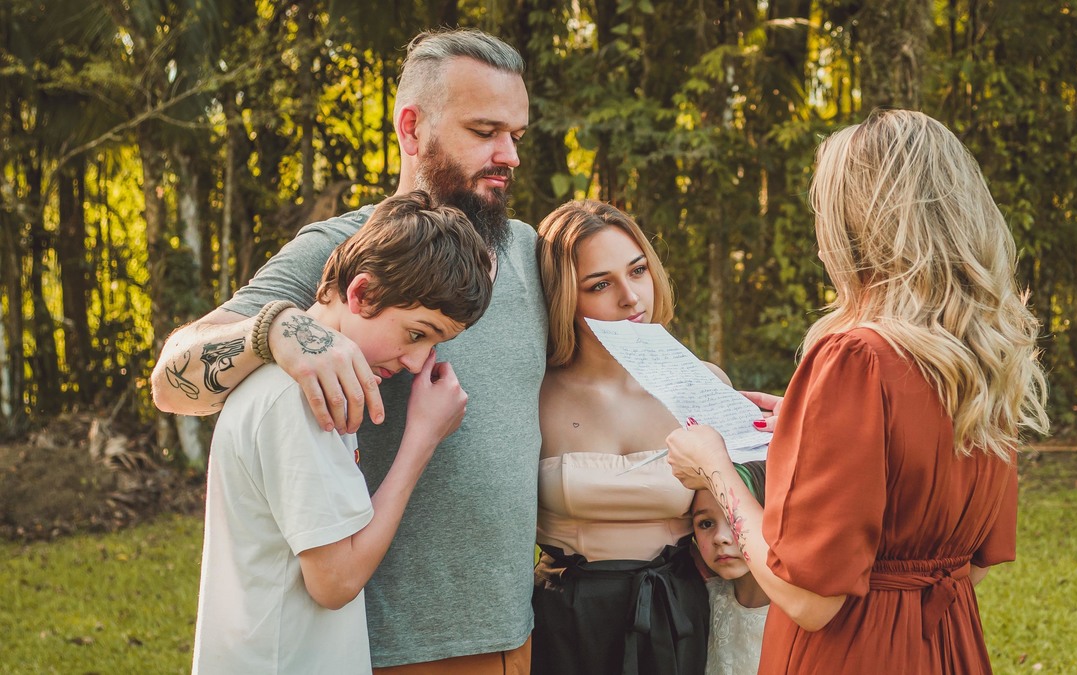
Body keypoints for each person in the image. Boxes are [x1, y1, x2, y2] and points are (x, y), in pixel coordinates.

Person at [152, 28, 548, 673]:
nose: (509, 154)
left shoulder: (532, 254)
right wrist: (276, 331)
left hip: (515, 633)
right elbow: (172, 380)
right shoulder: (341, 250)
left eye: (517, 136)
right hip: (380, 647)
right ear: (412, 128)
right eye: (484, 131)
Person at [666, 108, 1050, 674]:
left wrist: (714, 468)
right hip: (946, 647)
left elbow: (808, 600)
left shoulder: (856, 357)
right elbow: (973, 563)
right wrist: (805, 425)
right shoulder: (982, 358)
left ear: (853, 231)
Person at [191, 191, 491, 673]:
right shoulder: (300, 398)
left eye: (435, 342)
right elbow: (335, 582)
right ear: (362, 293)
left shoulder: (311, 381)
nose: (418, 362)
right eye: (417, 333)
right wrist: (421, 439)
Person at [532, 200, 728, 674]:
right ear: (563, 298)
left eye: (638, 270)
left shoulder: (702, 384)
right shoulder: (533, 394)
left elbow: (736, 523)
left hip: (677, 615)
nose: (631, 297)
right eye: (600, 284)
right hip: (563, 622)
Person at [691, 460, 769, 675]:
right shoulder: (706, 598)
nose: (720, 538)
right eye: (706, 523)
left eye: (737, 519)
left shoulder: (802, 608)